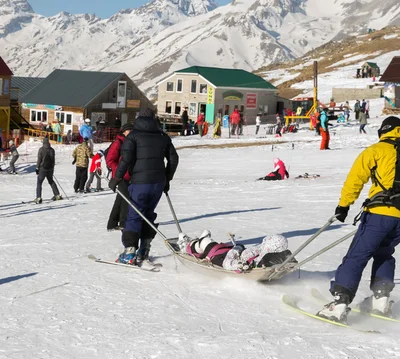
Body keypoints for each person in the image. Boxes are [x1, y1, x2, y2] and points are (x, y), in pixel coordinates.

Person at [316, 117, 400, 322]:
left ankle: (339, 303)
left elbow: (356, 179)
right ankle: (381, 300)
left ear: (383, 132)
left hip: (381, 213)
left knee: (357, 256)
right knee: (384, 253)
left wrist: (344, 206)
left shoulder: (377, 150)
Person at [109, 108, 179, 265]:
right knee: (148, 214)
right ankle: (144, 249)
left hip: (140, 182)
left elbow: (125, 159)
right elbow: (174, 159)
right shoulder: (162, 136)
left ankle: (130, 252)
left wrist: (117, 178)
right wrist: (167, 179)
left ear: (138, 119)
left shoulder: (133, 136)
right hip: (158, 183)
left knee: (134, 215)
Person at [181, 231, 293, 272]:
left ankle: (188, 245)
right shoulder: (269, 255)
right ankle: (197, 241)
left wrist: (237, 256)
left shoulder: (262, 256)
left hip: (221, 257)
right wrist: (238, 248)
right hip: (229, 253)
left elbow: (227, 263)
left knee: (206, 243)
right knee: (208, 243)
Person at [106, 123, 134, 231]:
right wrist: (119, 169)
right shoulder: (118, 142)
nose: (130, 132)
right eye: (129, 130)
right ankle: (122, 222)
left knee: (120, 199)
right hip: (119, 176)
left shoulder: (130, 142)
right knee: (126, 199)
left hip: (128, 175)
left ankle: (112, 223)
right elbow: (110, 160)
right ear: (124, 132)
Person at [34, 137, 62, 203]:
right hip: (50, 168)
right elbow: (53, 160)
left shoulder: (41, 149)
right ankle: (57, 195)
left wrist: (37, 168)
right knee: (51, 181)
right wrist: (52, 168)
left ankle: (38, 197)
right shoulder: (52, 150)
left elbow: (39, 160)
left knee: (39, 182)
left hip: (43, 168)